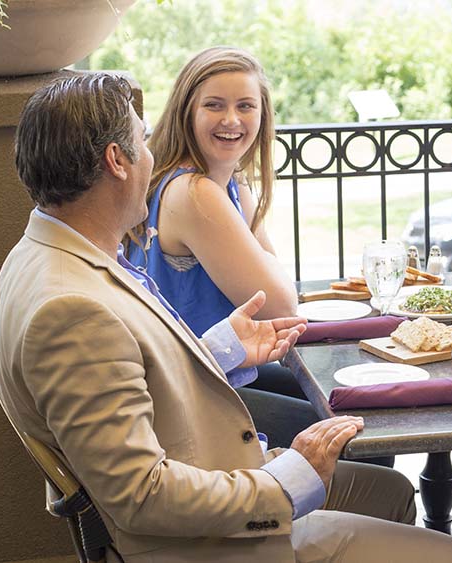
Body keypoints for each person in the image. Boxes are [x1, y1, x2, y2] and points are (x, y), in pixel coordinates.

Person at [0, 73, 452, 563]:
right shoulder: (71, 312)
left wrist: (221, 348)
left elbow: (130, 370)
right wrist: (290, 480)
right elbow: (142, 496)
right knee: (451, 554)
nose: (152, 156)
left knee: (389, 491)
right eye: (143, 139)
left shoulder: (44, 254)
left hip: (211, 473)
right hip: (202, 543)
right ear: (116, 161)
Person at [124, 46, 338, 453]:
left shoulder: (227, 182)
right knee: (351, 428)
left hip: (215, 371)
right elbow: (281, 304)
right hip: (189, 396)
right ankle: (293, 513)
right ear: (187, 111)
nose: (231, 120)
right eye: (214, 106)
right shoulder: (193, 192)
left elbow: (274, 280)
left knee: (340, 398)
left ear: (262, 115)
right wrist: (272, 275)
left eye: (245, 106)